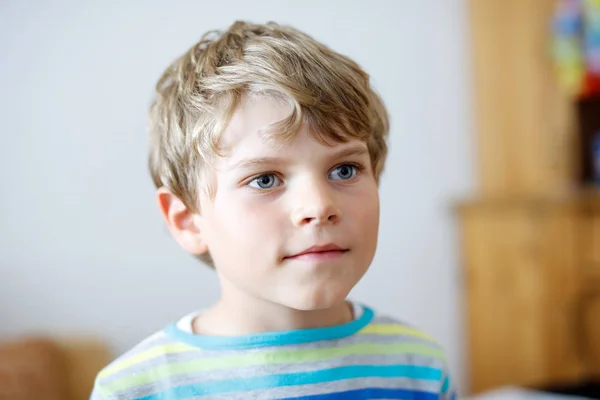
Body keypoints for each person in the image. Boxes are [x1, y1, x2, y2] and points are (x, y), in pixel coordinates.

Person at [91, 20, 457, 400]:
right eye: (265, 179)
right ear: (187, 220)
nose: (319, 207)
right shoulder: (136, 390)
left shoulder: (419, 370)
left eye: (344, 170)